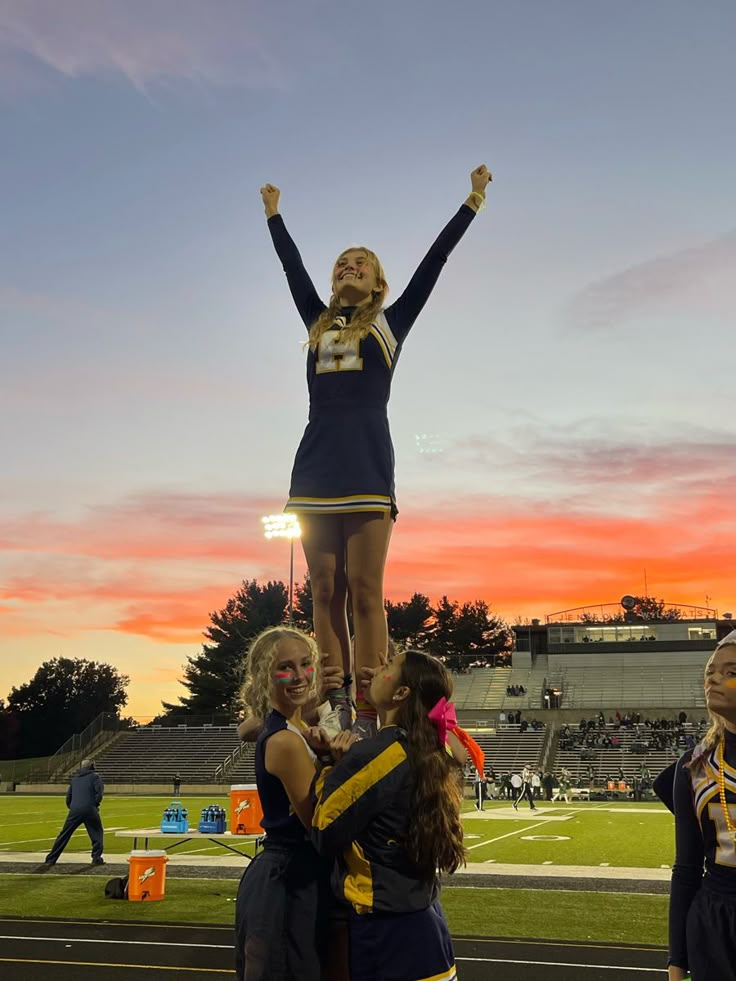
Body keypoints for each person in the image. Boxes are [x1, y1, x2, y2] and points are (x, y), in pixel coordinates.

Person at [260, 165, 492, 737]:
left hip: (366, 460)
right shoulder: (316, 322)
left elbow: (433, 264)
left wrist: (473, 200)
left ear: (379, 284)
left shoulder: (391, 324)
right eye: (341, 263)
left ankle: (369, 704)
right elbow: (291, 268)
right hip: (315, 461)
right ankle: (332, 694)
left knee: (365, 588)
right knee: (322, 587)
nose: (348, 268)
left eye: (360, 264)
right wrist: (274, 215)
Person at [311, 649, 464, 981]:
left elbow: (324, 831)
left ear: (401, 693)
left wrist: (329, 767)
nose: (378, 668)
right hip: (425, 919)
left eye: (388, 666)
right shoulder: (433, 748)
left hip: (390, 930)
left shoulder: (379, 754)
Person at [234, 626, 347, 981]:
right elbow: (320, 825)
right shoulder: (284, 740)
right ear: (265, 677)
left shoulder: (296, 726)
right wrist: (335, 762)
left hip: (299, 876)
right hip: (289, 880)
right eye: (285, 667)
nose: (299, 676)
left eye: (305, 664)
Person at [660, 630, 736, 981]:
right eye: (710, 672)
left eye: (731, 672)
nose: (714, 680)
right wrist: (677, 962)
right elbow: (686, 870)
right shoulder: (693, 766)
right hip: (712, 925)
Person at [42, 759, 104, 866]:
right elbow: (99, 794)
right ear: (92, 766)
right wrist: (94, 805)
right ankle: (96, 858)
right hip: (89, 809)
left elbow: (68, 797)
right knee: (97, 833)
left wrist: (72, 807)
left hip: (75, 810)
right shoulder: (95, 777)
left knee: (64, 834)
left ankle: (51, 859)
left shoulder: (75, 779)